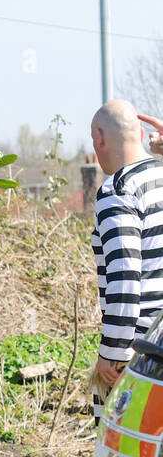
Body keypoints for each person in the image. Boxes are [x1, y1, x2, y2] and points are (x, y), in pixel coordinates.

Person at [90, 100, 163, 424]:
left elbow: (125, 278)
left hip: (143, 356)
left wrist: (113, 354)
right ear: (143, 133)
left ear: (98, 139)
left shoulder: (119, 190)